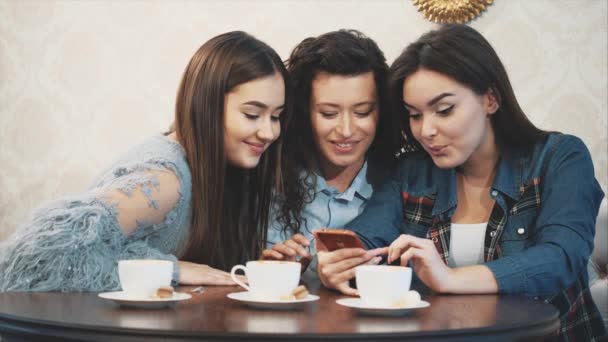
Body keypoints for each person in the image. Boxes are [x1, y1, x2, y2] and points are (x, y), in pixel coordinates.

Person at [317, 24, 606, 340]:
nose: (426, 130)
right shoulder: (412, 171)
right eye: (414, 115)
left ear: (491, 99)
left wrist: (450, 279)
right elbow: (368, 237)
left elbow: (561, 257)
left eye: (444, 110)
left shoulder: (559, 157)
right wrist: (339, 263)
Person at [0, 31, 291, 292]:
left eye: (276, 116)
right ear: (207, 106)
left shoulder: (223, 171)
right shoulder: (166, 180)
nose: (268, 132)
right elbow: (32, 254)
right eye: (252, 114)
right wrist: (170, 270)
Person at [260, 30, 400, 281]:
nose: (346, 130)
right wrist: (269, 269)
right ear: (305, 112)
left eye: (363, 112)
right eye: (328, 114)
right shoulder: (269, 177)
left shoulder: (401, 184)